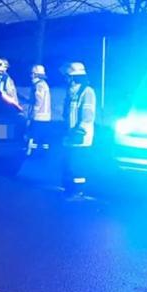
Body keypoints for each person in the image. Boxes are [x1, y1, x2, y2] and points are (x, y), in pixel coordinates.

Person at [61, 62, 96, 199]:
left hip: (81, 136)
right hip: (70, 135)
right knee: (68, 163)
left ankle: (77, 191)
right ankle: (69, 189)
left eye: (69, 76)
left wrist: (79, 130)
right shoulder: (71, 91)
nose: (66, 79)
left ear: (75, 77)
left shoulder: (87, 91)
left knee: (77, 166)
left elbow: (87, 115)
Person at [27, 64, 52, 156]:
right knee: (43, 139)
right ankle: (44, 154)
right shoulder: (43, 84)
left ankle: (35, 154)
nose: (30, 75)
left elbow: (38, 100)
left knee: (35, 138)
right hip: (45, 117)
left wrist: (33, 113)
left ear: (35, 74)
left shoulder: (39, 85)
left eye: (32, 73)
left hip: (38, 117)